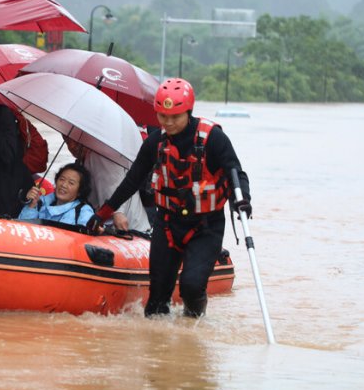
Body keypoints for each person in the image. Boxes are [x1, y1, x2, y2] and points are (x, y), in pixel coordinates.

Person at [88, 78, 252, 318]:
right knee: (156, 299)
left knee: (192, 286)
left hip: (205, 226)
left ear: (188, 111)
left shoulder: (213, 139)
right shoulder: (156, 142)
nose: (168, 122)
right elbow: (132, 180)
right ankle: (161, 347)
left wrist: (243, 200)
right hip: (168, 224)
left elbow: (236, 172)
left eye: (175, 116)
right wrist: (103, 214)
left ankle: (193, 333)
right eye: (163, 116)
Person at [64, 137, 150, 233]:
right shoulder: (86, 157)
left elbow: (113, 183)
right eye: (66, 140)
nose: (71, 146)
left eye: (75, 140)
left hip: (125, 227)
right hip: (115, 222)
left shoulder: (100, 154)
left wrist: (117, 212)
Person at [18, 163, 95, 227]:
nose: (64, 185)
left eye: (71, 183)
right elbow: (22, 228)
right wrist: (32, 205)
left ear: (80, 191)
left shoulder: (83, 211)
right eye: (62, 179)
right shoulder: (40, 202)